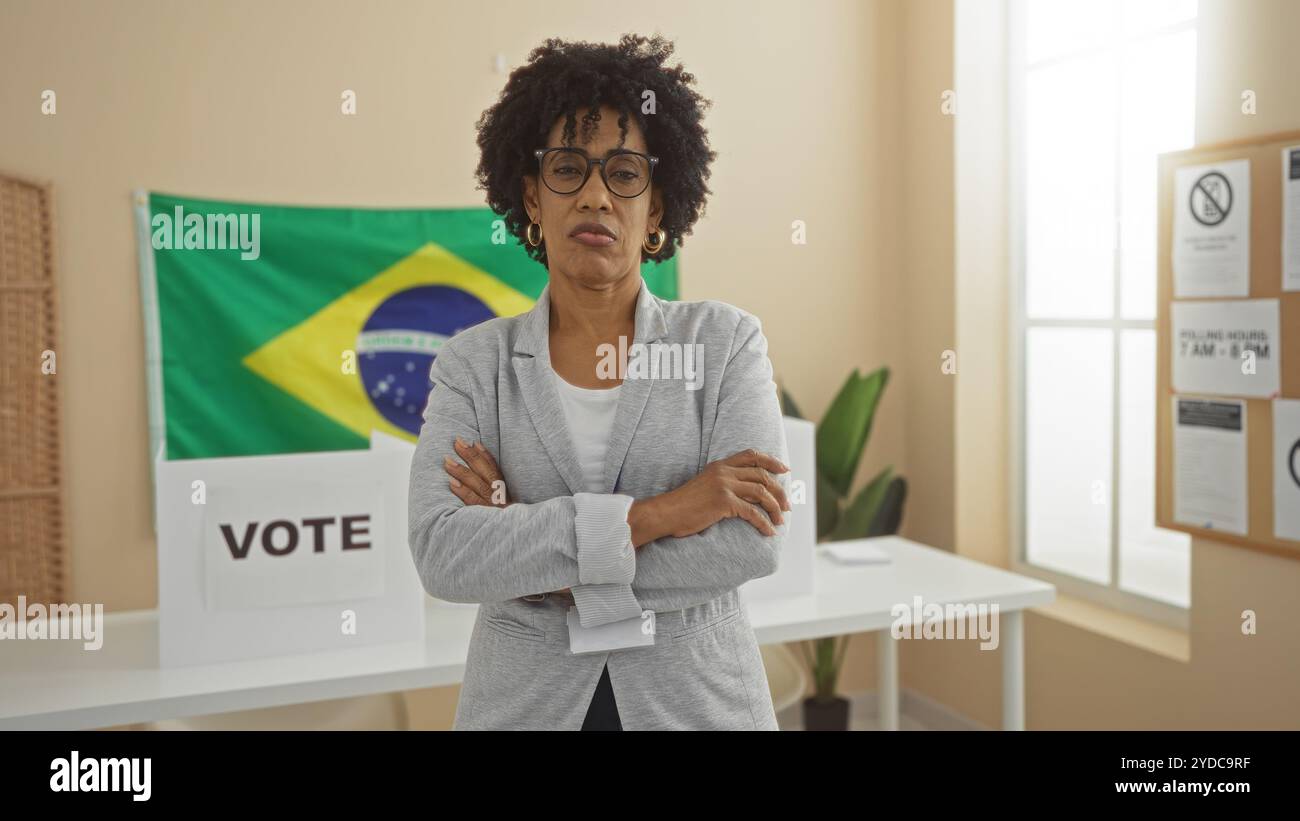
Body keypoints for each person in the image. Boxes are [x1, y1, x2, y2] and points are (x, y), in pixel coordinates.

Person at [408, 34, 791, 730]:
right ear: (531, 196)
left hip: (697, 704)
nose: (593, 195)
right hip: (525, 705)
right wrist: (665, 513)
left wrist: (528, 557)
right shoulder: (473, 364)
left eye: (622, 173)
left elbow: (750, 543)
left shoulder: (726, 342)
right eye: (567, 169)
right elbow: (444, 553)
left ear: (657, 209)